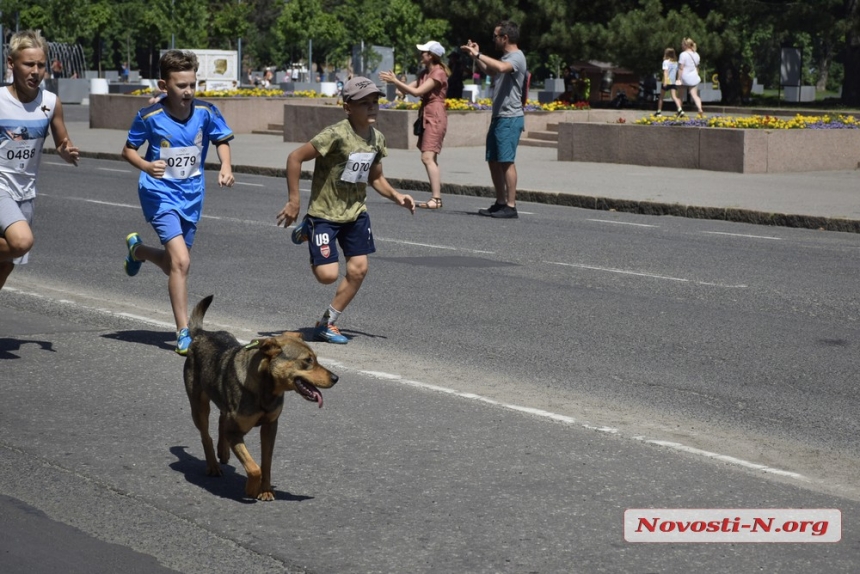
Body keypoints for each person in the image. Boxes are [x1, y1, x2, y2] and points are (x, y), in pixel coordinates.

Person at [275, 76, 415, 344]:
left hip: (355, 214)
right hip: (324, 214)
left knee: (359, 269)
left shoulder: (377, 139)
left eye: (375, 102)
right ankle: (309, 230)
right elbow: (295, 158)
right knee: (327, 276)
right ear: (348, 107)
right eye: (365, 103)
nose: (372, 107)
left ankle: (327, 323)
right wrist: (294, 201)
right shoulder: (335, 134)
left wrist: (397, 196)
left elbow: (375, 178)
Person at [120, 49, 235, 355]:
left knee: (174, 264)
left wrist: (226, 165)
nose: (188, 91)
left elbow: (221, 139)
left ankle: (138, 251)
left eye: (192, 85)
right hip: (159, 195)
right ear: (163, 85)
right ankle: (184, 331)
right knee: (182, 262)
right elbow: (128, 150)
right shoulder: (150, 116)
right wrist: (146, 166)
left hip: (192, 196)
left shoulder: (206, 112)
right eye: (181, 85)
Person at [0, 30, 79, 291]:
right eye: (28, 64)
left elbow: (61, 141)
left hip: (26, 191)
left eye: (41, 65)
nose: (35, 71)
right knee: (21, 241)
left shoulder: (50, 102)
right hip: (1, 187)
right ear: (11, 64)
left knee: (7, 263)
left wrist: (66, 151)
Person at [461, 20, 527, 219]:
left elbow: (500, 67)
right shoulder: (506, 57)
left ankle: (511, 205)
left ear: (505, 38)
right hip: (499, 117)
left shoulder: (516, 57)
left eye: (495, 36)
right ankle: (500, 202)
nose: (494, 40)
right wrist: (476, 56)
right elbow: (491, 70)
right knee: (493, 160)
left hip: (510, 117)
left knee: (506, 161)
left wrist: (479, 54)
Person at [380, 41, 450, 210]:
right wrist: (398, 87)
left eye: (423, 52)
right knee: (430, 158)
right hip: (427, 113)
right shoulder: (424, 72)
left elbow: (418, 92)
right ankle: (436, 197)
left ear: (431, 55)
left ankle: (436, 198)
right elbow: (410, 88)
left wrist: (396, 81)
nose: (420, 55)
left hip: (435, 115)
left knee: (427, 157)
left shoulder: (438, 73)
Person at [677, 37, 704, 117]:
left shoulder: (683, 54)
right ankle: (700, 108)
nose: (681, 46)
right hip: (694, 77)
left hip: (684, 77)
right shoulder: (696, 55)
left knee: (680, 95)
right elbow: (697, 67)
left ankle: (680, 111)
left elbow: (681, 68)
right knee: (695, 95)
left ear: (685, 45)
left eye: (682, 44)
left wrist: (678, 79)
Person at [655, 48, 683, 117]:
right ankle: (680, 109)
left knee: (661, 96)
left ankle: (659, 111)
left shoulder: (665, 62)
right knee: (674, 96)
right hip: (673, 81)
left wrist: (665, 81)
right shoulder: (675, 63)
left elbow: (665, 72)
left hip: (666, 81)